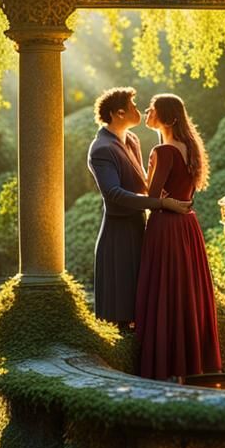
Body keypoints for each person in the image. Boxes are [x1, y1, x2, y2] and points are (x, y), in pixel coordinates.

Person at [87, 87, 190, 330]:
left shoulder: (131, 140)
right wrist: (161, 203)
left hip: (140, 227)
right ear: (118, 113)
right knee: (120, 302)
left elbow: (143, 183)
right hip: (118, 233)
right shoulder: (101, 149)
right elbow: (114, 194)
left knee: (140, 299)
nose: (139, 110)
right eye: (133, 107)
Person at [135, 93, 221, 382]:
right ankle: (189, 362)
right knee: (185, 293)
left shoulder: (164, 151)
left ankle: (164, 363)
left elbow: (151, 195)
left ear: (168, 118)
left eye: (152, 109)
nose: (147, 112)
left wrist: (140, 169)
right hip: (187, 226)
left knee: (165, 292)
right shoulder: (189, 147)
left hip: (166, 227)